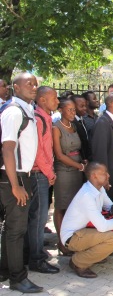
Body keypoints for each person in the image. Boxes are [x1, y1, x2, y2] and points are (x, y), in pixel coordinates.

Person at [0, 73, 42, 293]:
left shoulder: (26, 109)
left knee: (12, 229)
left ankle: (6, 270)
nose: (34, 87)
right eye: (29, 84)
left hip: (20, 175)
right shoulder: (14, 112)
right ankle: (17, 279)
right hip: (12, 177)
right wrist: (16, 185)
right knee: (17, 230)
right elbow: (7, 148)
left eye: (36, 84)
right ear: (15, 87)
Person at [61, 162, 113, 278]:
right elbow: (102, 226)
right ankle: (78, 262)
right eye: (104, 173)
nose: (108, 176)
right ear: (94, 176)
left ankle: (92, 255)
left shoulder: (98, 189)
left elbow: (111, 206)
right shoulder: (87, 195)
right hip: (72, 237)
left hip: (85, 231)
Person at [27, 86, 60, 274]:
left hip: (43, 173)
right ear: (42, 100)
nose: (57, 101)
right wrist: (49, 172)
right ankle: (36, 259)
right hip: (39, 173)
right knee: (38, 219)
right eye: (53, 98)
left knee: (38, 218)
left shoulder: (45, 118)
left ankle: (35, 253)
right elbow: (38, 150)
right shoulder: (39, 120)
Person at [52, 98, 85, 256]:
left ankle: (72, 239)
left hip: (77, 170)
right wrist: (78, 166)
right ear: (61, 110)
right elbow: (59, 155)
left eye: (74, 109)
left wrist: (82, 162)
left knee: (73, 206)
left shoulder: (74, 126)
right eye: (69, 109)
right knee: (62, 206)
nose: (73, 112)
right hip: (64, 170)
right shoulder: (56, 128)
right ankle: (61, 241)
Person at [70, 94, 91, 161]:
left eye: (85, 106)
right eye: (82, 106)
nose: (85, 108)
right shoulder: (72, 123)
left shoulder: (81, 120)